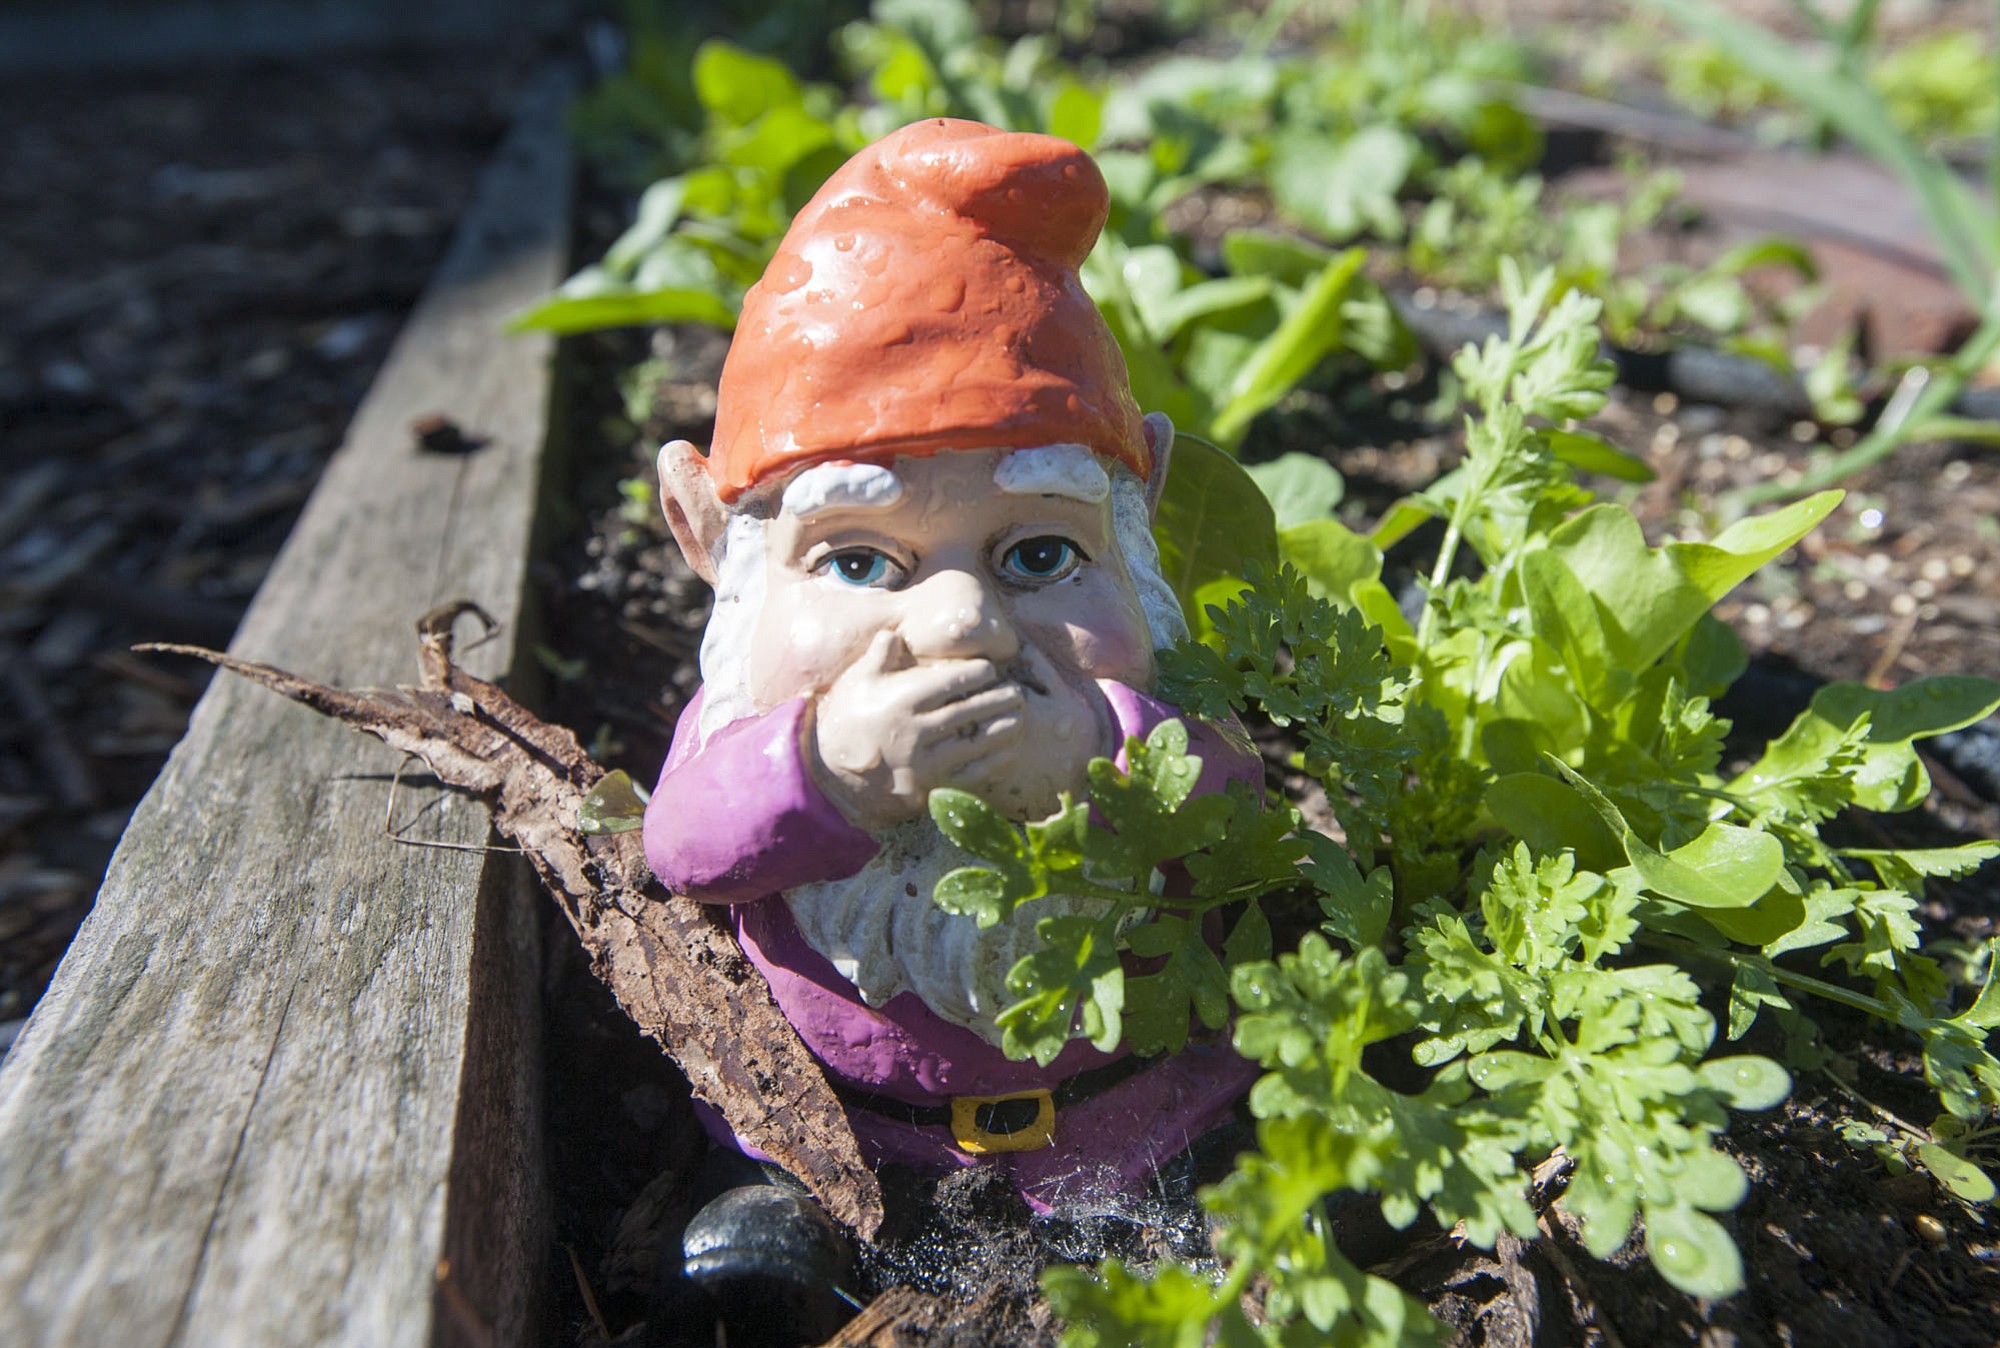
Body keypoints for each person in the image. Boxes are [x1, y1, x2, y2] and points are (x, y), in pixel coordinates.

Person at [642, 119, 1261, 1223]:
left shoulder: (1147, 713)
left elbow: (1232, 811)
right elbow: (689, 846)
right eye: (858, 560)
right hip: (838, 1137)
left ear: (1142, 517)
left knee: (1231, 1212)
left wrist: (1103, 761)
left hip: (1134, 1117)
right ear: (705, 537)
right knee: (755, 1240)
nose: (963, 627)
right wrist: (830, 776)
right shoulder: (750, 723)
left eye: (1039, 555)